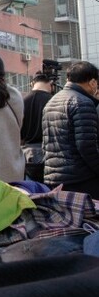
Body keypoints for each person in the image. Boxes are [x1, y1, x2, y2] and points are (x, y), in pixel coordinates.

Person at [43, 61, 99, 198]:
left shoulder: (52, 101)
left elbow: (46, 142)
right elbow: (86, 146)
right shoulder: (83, 103)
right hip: (80, 179)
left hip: (54, 178)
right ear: (92, 82)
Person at [21, 72, 55, 183]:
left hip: (26, 156)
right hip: (49, 153)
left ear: (32, 83)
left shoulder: (22, 101)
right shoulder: (53, 101)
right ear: (50, 84)